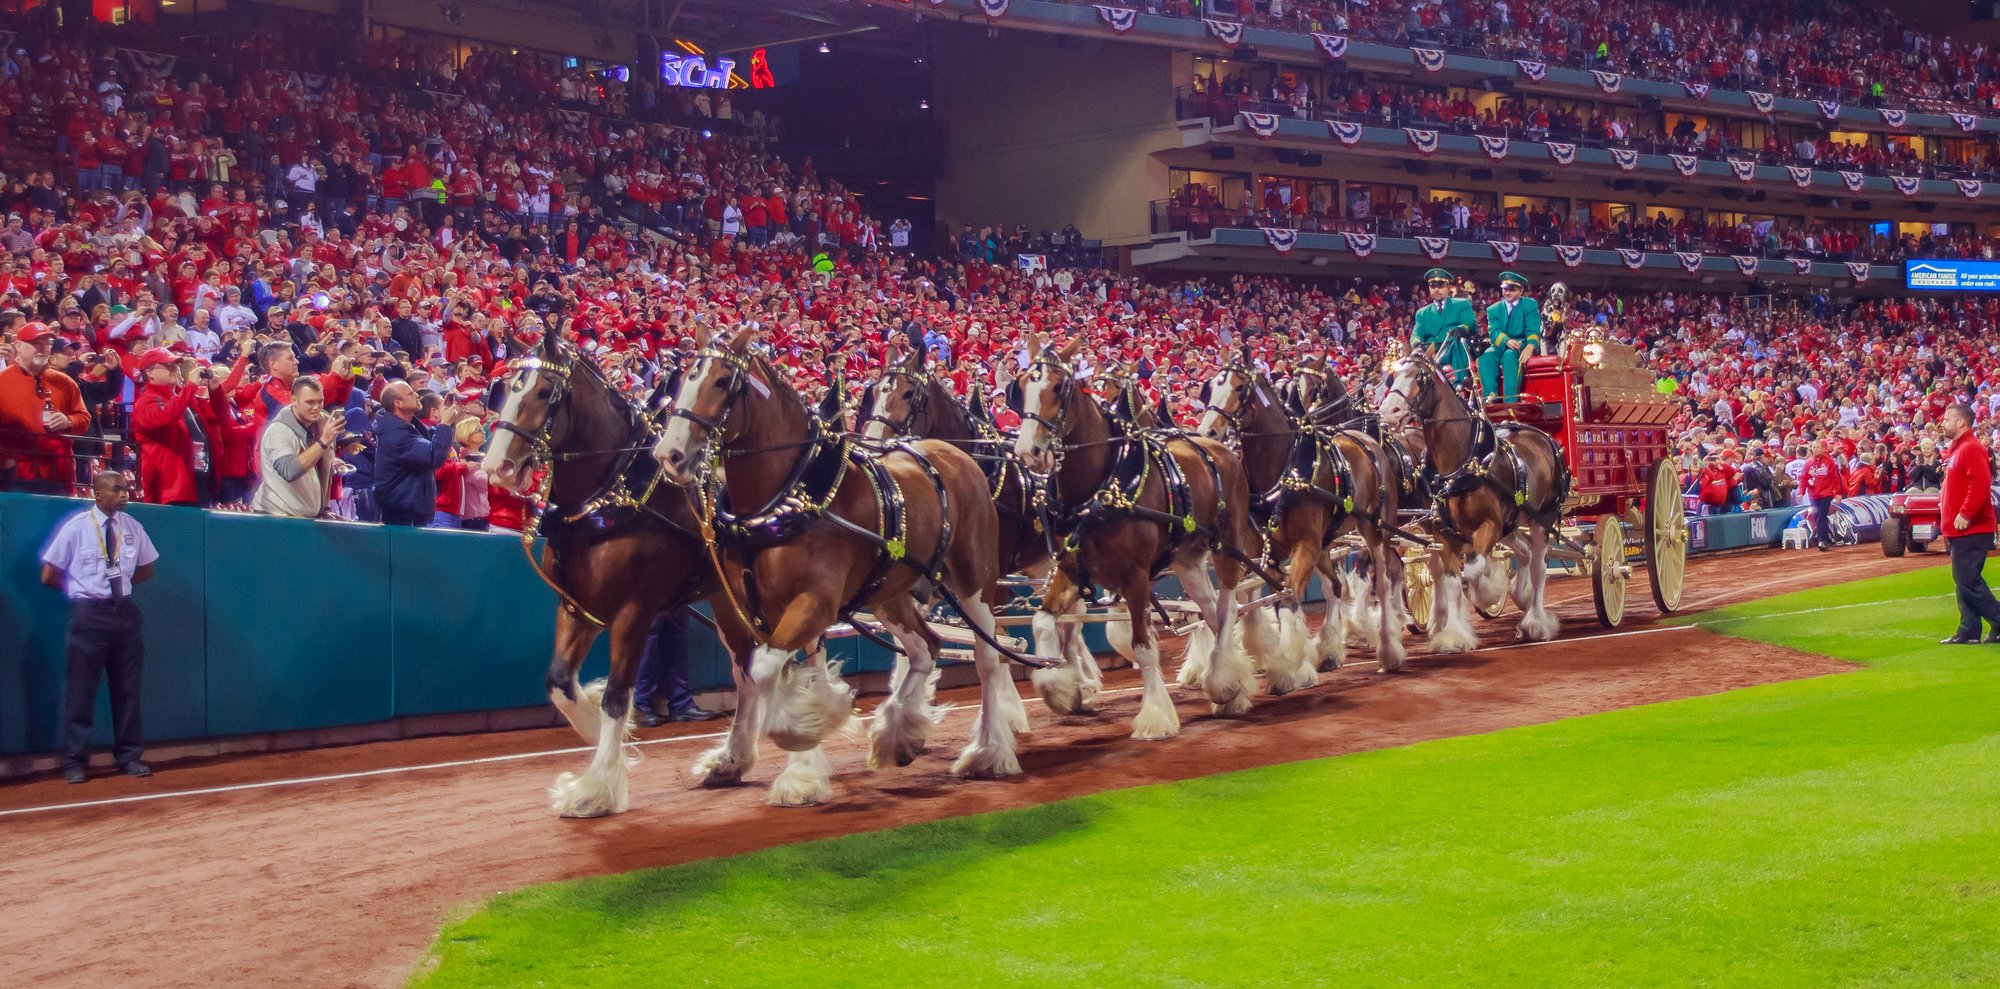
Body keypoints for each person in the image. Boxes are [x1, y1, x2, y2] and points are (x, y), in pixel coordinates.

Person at [40, 471, 158, 783]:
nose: (124, 494)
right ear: (97, 494)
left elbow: (147, 568)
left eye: (126, 488)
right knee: (81, 691)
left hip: (125, 613)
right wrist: (83, 591)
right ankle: (75, 761)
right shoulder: (76, 529)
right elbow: (49, 576)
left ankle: (130, 756)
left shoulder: (133, 528)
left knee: (127, 690)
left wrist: (119, 585)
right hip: (88, 614)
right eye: (116, 489)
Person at [0, 319, 91, 494]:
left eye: (47, 343)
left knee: (58, 521)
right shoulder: (3, 382)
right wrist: (5, 459)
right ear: (18, 346)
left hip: (59, 473)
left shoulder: (65, 382)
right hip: (17, 476)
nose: (43, 349)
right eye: (36, 343)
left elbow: (84, 418)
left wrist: (69, 421)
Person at [1938, 403, 2000, 644]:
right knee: (1963, 580)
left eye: (1947, 419)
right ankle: (1969, 629)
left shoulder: (1970, 448)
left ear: (1961, 422)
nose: (1943, 423)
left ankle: (1996, 620)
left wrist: (1965, 513)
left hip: (1972, 528)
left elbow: (1980, 484)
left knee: (1968, 580)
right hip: (1961, 528)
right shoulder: (1960, 449)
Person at [250, 376, 343, 518]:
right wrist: (323, 441)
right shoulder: (279, 431)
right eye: (310, 402)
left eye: (320, 401)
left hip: (304, 518)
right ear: (294, 400)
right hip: (275, 517)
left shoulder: (323, 423)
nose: (316, 407)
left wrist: (324, 509)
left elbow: (324, 471)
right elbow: (289, 471)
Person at [374, 381, 462, 526]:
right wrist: (445, 424)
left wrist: (445, 415)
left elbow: (433, 441)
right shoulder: (395, 436)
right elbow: (435, 455)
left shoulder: (409, 427)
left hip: (412, 517)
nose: (416, 395)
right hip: (402, 519)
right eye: (410, 393)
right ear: (398, 403)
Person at [129, 349, 202, 506]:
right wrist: (190, 388)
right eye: (168, 365)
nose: (175, 369)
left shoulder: (176, 397)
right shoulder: (146, 401)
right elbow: (163, 419)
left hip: (186, 484)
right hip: (165, 489)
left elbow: (211, 420)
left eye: (176, 365)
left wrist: (215, 391)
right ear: (150, 372)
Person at [630, 609, 719, 727]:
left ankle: (681, 705)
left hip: (676, 593)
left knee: (678, 628)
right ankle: (639, 707)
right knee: (649, 630)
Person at [1480, 271, 1542, 403]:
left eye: (1512, 290)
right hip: (1502, 344)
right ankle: (1490, 400)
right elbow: (1494, 331)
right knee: (1486, 357)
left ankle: (1510, 402)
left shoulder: (1529, 305)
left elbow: (1533, 329)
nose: (1507, 293)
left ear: (1520, 291)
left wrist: (1530, 346)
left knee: (1509, 355)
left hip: (1522, 343)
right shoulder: (1493, 309)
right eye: (1505, 289)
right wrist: (1506, 340)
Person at [1409, 267, 1476, 387]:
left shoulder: (1462, 304)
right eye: (1432, 286)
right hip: (1431, 350)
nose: (1436, 290)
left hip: (1453, 346)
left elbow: (1470, 323)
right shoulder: (1422, 313)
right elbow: (1417, 333)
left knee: (1457, 343)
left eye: (1440, 286)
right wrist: (1416, 343)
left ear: (1448, 287)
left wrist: (1460, 328)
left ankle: (1460, 384)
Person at [1802, 439, 1844, 551]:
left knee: (1821, 516)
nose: (1815, 449)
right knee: (1817, 517)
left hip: (1826, 494)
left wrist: (1838, 493)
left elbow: (1836, 478)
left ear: (1823, 449)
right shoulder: (1808, 463)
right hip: (1813, 495)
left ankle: (1822, 541)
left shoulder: (1829, 462)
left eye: (1818, 447)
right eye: (1813, 447)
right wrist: (1801, 492)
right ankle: (1824, 538)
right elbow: (1803, 478)